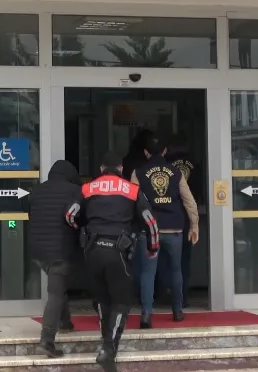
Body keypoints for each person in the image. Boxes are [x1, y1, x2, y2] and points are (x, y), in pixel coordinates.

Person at [66, 152, 159, 372]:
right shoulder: (132, 190)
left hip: (92, 250)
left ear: (101, 169)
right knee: (121, 301)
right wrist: (153, 247)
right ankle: (108, 350)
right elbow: (151, 222)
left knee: (101, 300)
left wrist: (82, 228)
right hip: (118, 250)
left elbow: (70, 215)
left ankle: (106, 348)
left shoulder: (87, 188)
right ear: (121, 169)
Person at [131, 134, 198, 327]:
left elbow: (133, 202)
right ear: (165, 151)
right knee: (176, 269)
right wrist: (194, 225)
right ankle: (177, 310)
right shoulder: (176, 173)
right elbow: (189, 201)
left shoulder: (138, 173)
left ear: (146, 153)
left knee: (148, 272)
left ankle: (146, 315)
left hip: (149, 230)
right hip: (174, 229)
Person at [27, 160, 82, 358]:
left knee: (58, 285)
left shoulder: (37, 191)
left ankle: (65, 322)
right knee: (56, 293)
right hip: (59, 249)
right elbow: (76, 218)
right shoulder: (75, 191)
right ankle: (47, 341)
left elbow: (30, 215)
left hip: (38, 251)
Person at [165, 133, 198, 308]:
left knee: (164, 260)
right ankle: (182, 298)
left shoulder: (167, 164)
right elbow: (199, 188)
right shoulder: (195, 162)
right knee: (183, 260)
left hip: (170, 214)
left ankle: (164, 294)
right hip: (186, 216)